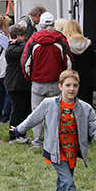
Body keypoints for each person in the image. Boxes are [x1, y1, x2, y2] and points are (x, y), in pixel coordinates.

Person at [10, 70, 96, 191]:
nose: (71, 89)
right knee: (68, 184)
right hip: (55, 152)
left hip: (72, 152)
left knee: (62, 184)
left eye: (75, 85)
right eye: (68, 85)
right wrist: (18, 130)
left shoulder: (85, 108)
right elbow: (33, 118)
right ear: (60, 86)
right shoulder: (49, 104)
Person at [21, 12, 74, 148]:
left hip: (38, 82)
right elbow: (69, 62)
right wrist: (65, 81)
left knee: (36, 113)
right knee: (55, 113)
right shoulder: (61, 39)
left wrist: (30, 78)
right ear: (53, 24)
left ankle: (37, 142)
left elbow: (25, 63)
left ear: (40, 24)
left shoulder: (33, 40)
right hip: (56, 83)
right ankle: (53, 142)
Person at [4, 24, 31, 143]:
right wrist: (21, 42)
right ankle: (13, 136)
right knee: (17, 111)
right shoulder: (11, 48)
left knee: (24, 111)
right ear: (18, 36)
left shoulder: (15, 47)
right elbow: (25, 49)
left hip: (21, 84)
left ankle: (21, 133)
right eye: (24, 36)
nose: (26, 38)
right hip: (15, 84)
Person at [62, 19, 96, 105]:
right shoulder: (87, 43)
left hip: (70, 77)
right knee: (86, 103)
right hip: (86, 77)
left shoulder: (65, 44)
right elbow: (95, 60)